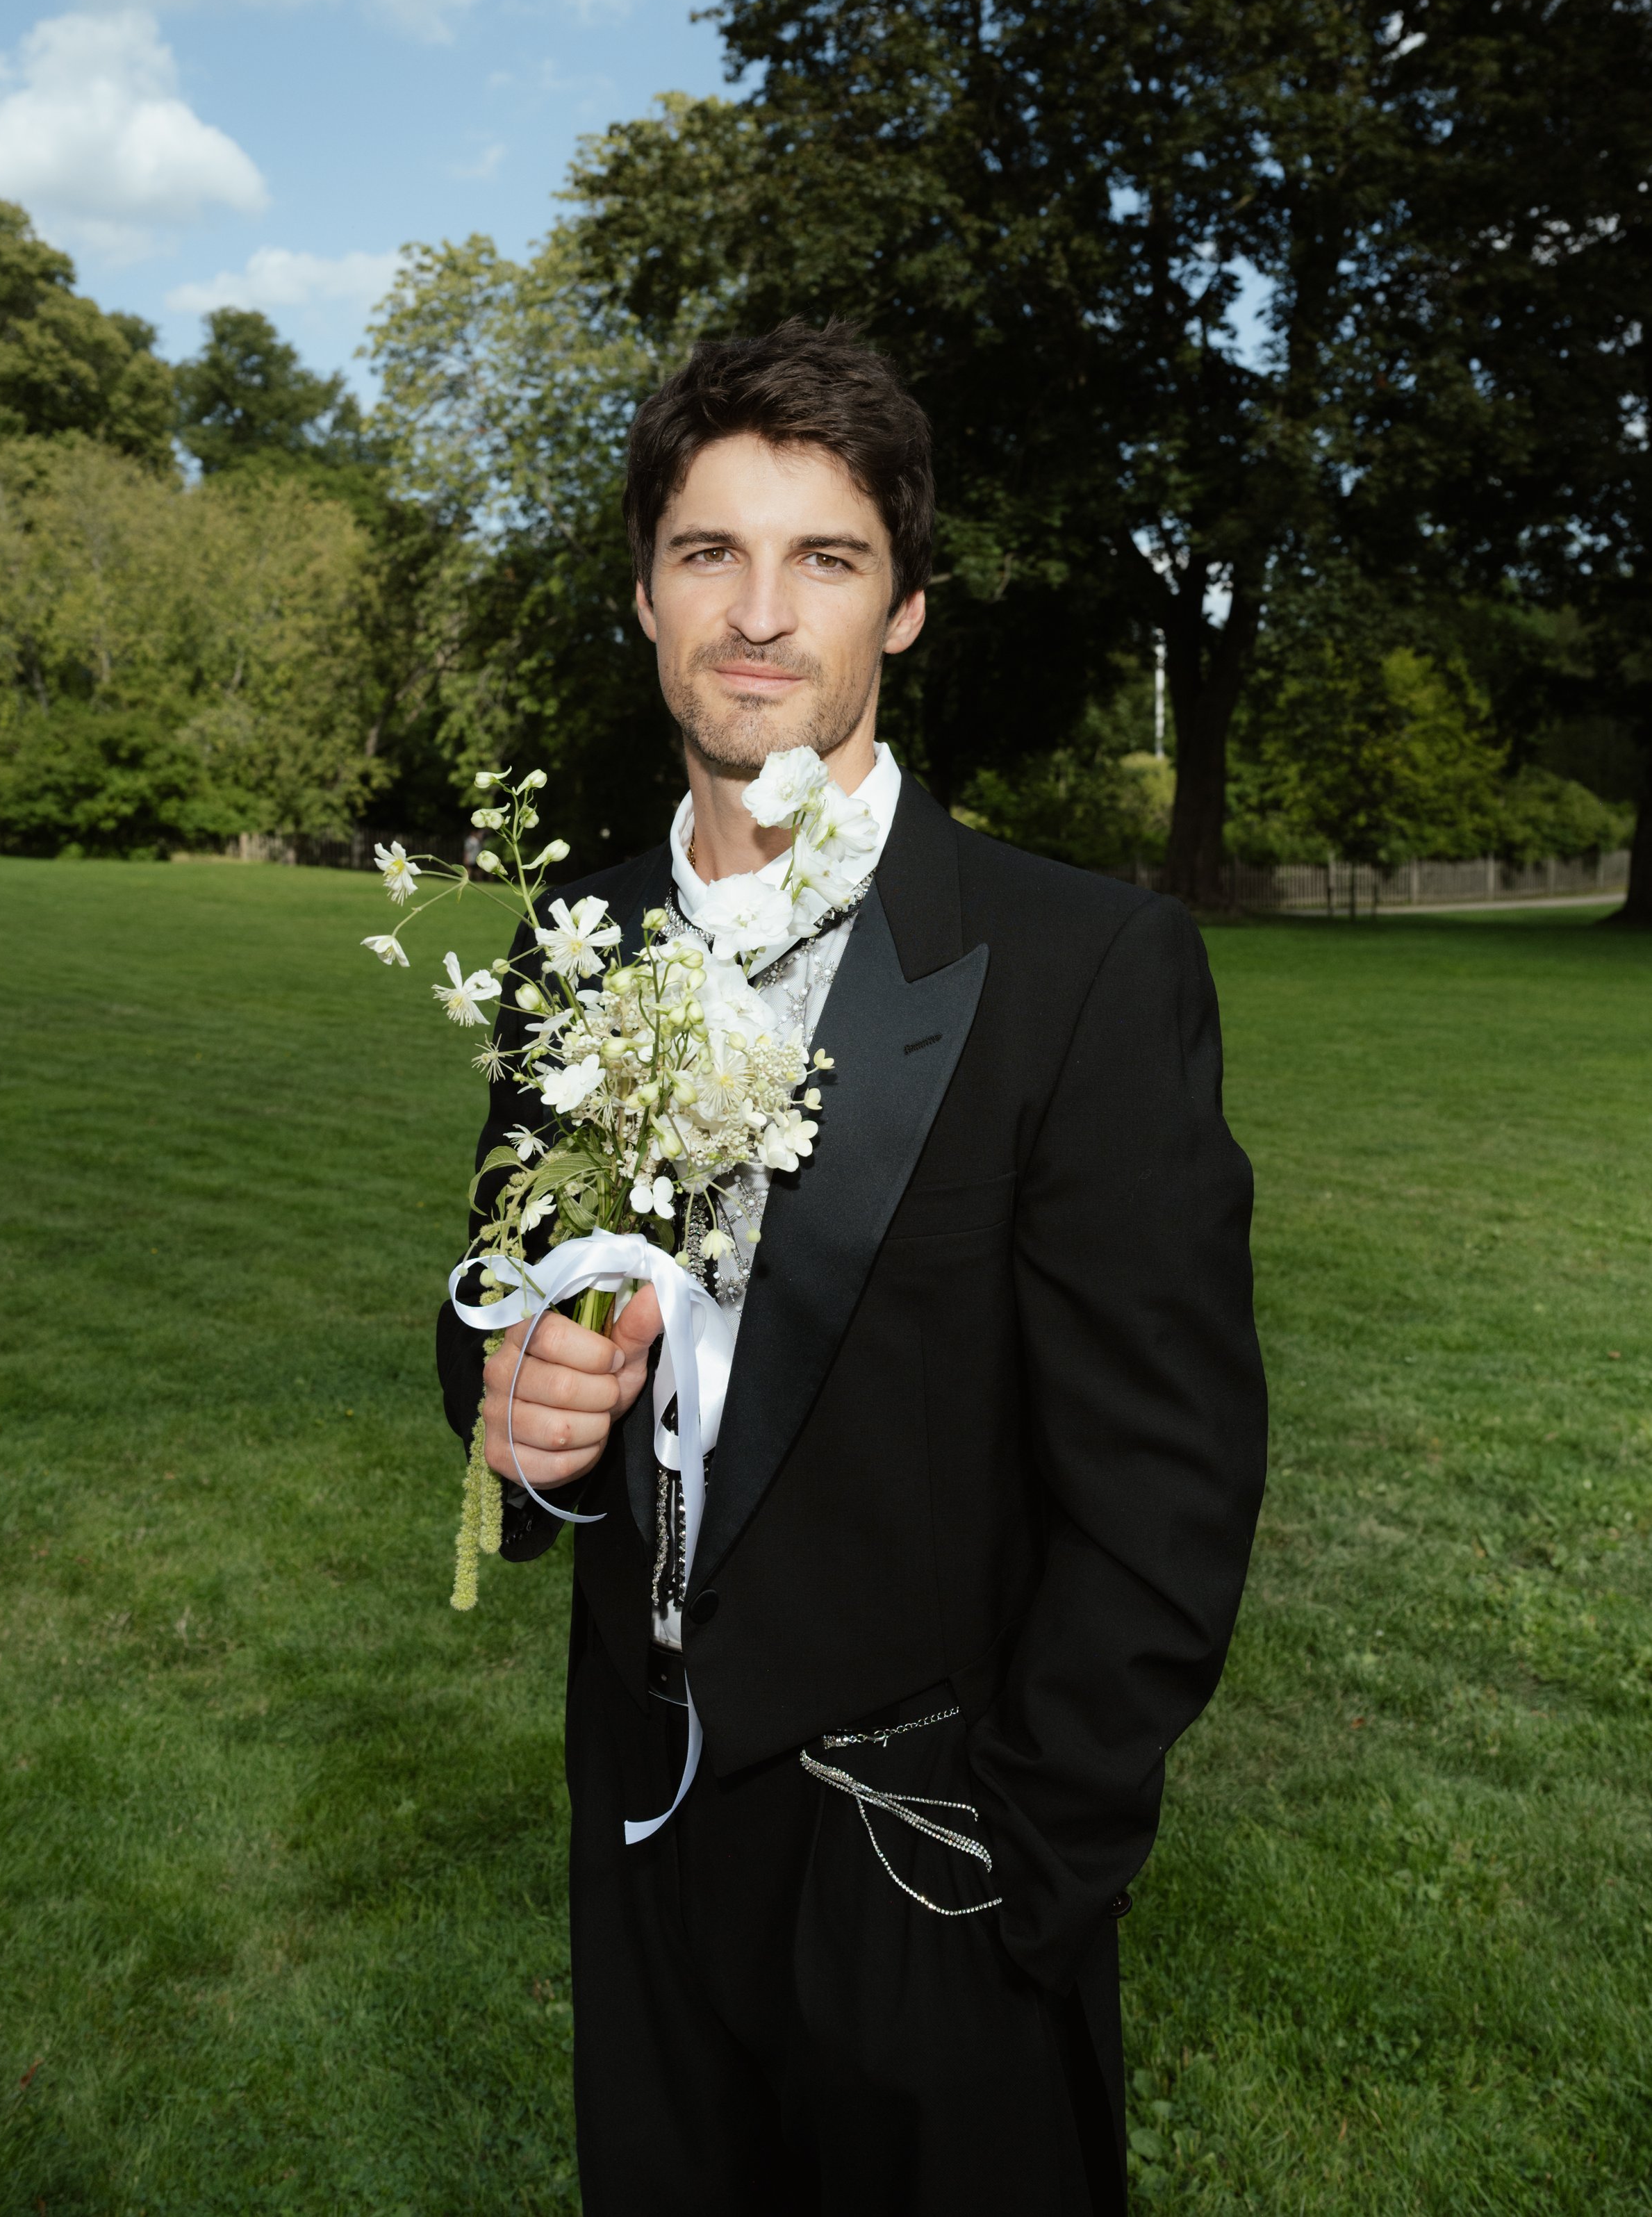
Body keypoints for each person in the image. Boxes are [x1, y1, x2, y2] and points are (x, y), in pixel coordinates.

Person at [436, 320, 1266, 2217]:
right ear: (642, 590)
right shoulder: (578, 933)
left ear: (899, 611)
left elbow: (1167, 1485)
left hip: (925, 1859)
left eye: (825, 559)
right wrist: (519, 1414)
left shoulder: (1076, 972)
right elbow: (492, 1289)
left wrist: (1012, 1872)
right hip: (639, 1835)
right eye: (709, 552)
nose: (758, 611)